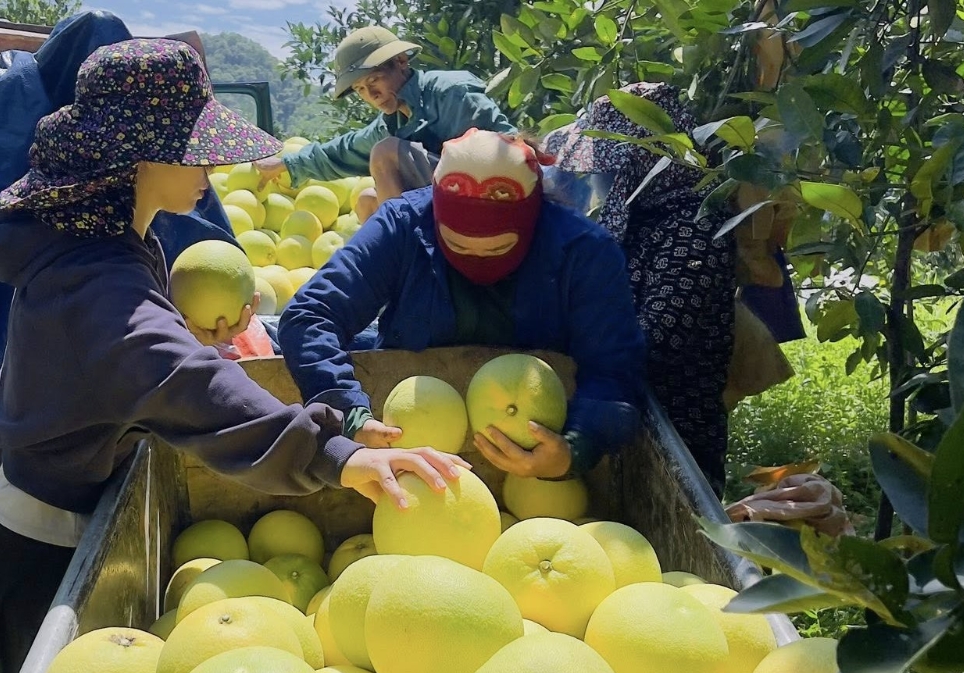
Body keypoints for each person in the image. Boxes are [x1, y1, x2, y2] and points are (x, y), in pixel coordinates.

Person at [0, 39, 464, 673]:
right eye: (194, 148)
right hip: (49, 536)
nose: (213, 166)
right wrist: (336, 454)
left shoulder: (98, 233)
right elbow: (177, 377)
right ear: (139, 158)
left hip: (62, 493)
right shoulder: (97, 280)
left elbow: (131, 354)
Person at [277, 128, 647, 483]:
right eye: (458, 246)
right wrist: (348, 408)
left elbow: (614, 369)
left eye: (498, 249)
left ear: (532, 219)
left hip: (535, 451)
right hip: (411, 440)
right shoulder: (403, 226)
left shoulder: (584, 253)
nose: (476, 261)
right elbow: (311, 315)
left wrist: (573, 449)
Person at [543, 83, 737, 494]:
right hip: (609, 422)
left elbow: (651, 345)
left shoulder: (697, 231)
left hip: (674, 434)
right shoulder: (636, 219)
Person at [255, 26, 514, 221]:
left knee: (386, 152)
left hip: (487, 201)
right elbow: (344, 150)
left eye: (375, 80)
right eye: (360, 89)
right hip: (443, 206)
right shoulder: (392, 122)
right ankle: (396, 277)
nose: (372, 96)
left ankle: (405, 254)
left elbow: (510, 149)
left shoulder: (450, 93)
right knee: (367, 201)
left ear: (401, 62)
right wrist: (285, 163)